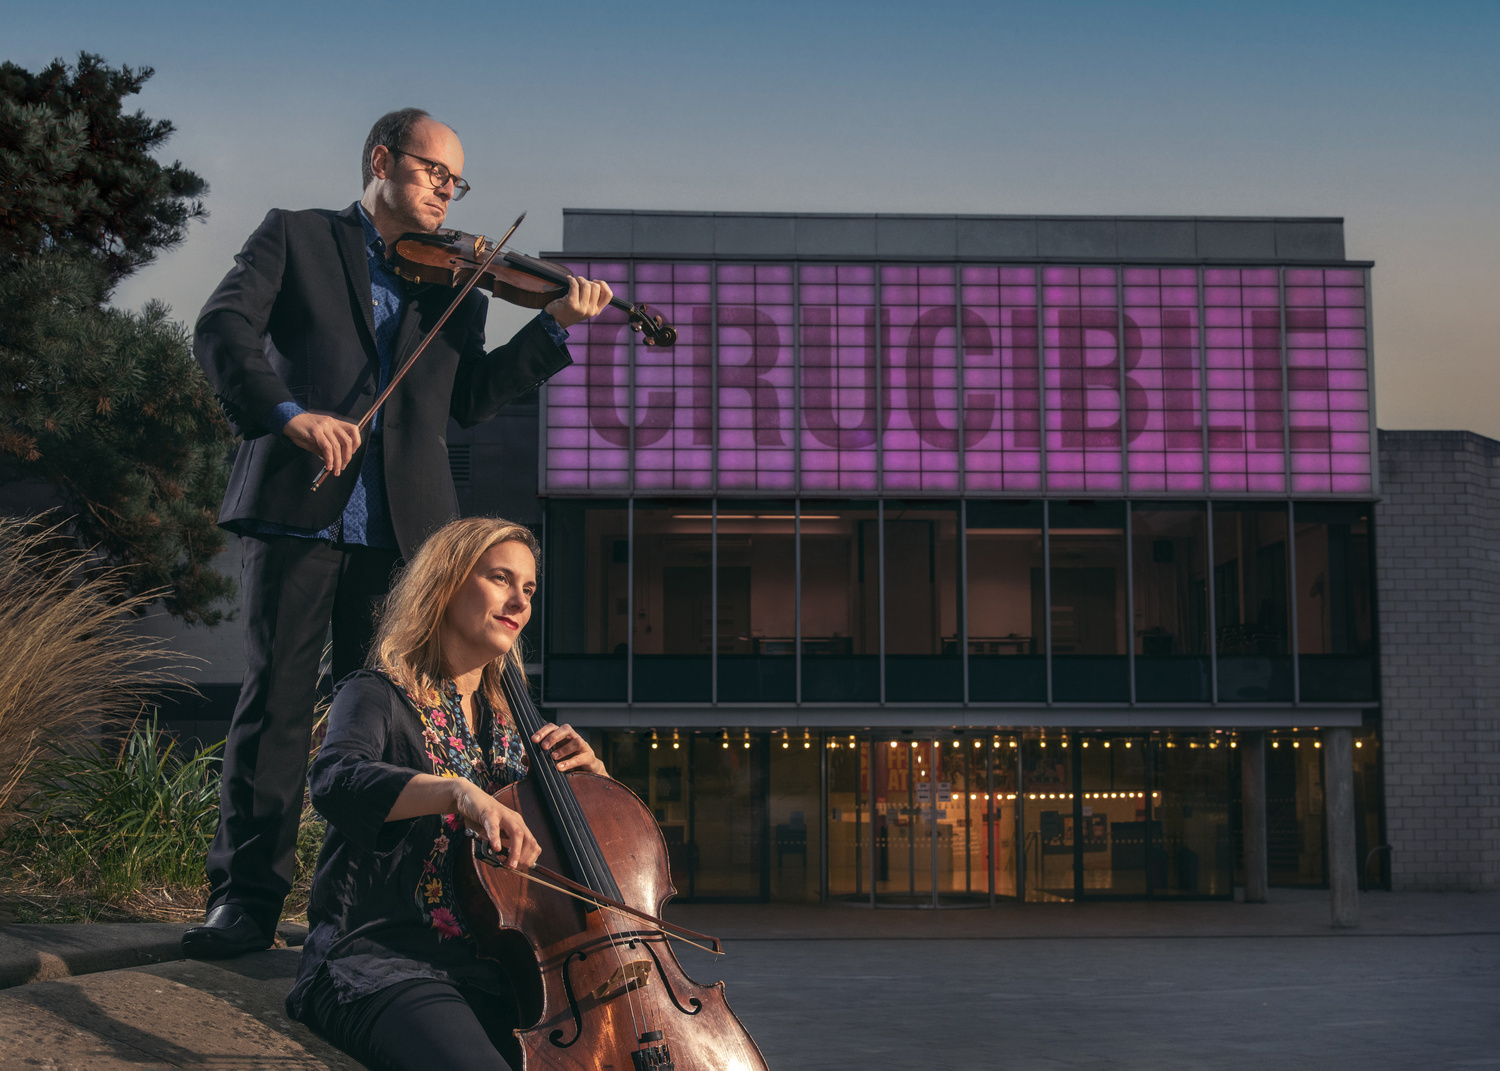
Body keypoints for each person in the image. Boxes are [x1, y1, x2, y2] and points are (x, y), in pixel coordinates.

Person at [186, 107, 613, 958]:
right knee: (272, 705)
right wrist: (290, 414)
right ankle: (247, 898)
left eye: (456, 183)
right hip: (298, 506)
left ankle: (360, 907)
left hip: (403, 540)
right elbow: (222, 330)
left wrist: (554, 327)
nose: (446, 194)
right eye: (432, 174)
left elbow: (469, 399)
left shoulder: (455, 281)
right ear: (382, 160)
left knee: (386, 728)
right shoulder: (297, 238)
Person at [286, 516, 603, 1071]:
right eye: (501, 578)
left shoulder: (518, 729)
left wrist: (592, 786)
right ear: (447, 583)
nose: (520, 601)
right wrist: (456, 793)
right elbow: (334, 780)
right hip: (384, 959)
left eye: (528, 588)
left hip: (500, 970)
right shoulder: (376, 695)